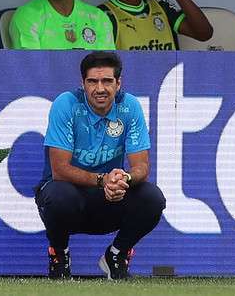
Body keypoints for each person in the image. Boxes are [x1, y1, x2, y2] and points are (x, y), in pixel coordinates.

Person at [35, 51, 166, 280]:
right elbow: (59, 170)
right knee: (58, 195)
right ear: (83, 83)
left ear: (118, 83)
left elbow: (142, 167)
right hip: (67, 197)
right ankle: (59, 255)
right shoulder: (66, 104)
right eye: (92, 81)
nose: (100, 89)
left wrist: (123, 180)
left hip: (108, 197)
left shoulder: (129, 106)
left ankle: (117, 254)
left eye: (107, 81)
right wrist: (103, 180)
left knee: (153, 198)